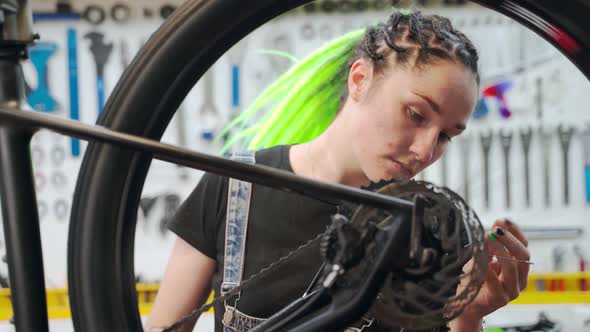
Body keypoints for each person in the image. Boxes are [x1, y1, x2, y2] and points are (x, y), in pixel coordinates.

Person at [146, 9, 530, 332]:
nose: (426, 150)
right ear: (360, 79)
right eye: (415, 114)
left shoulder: (432, 231)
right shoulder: (234, 188)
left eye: (446, 136)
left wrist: (468, 313)